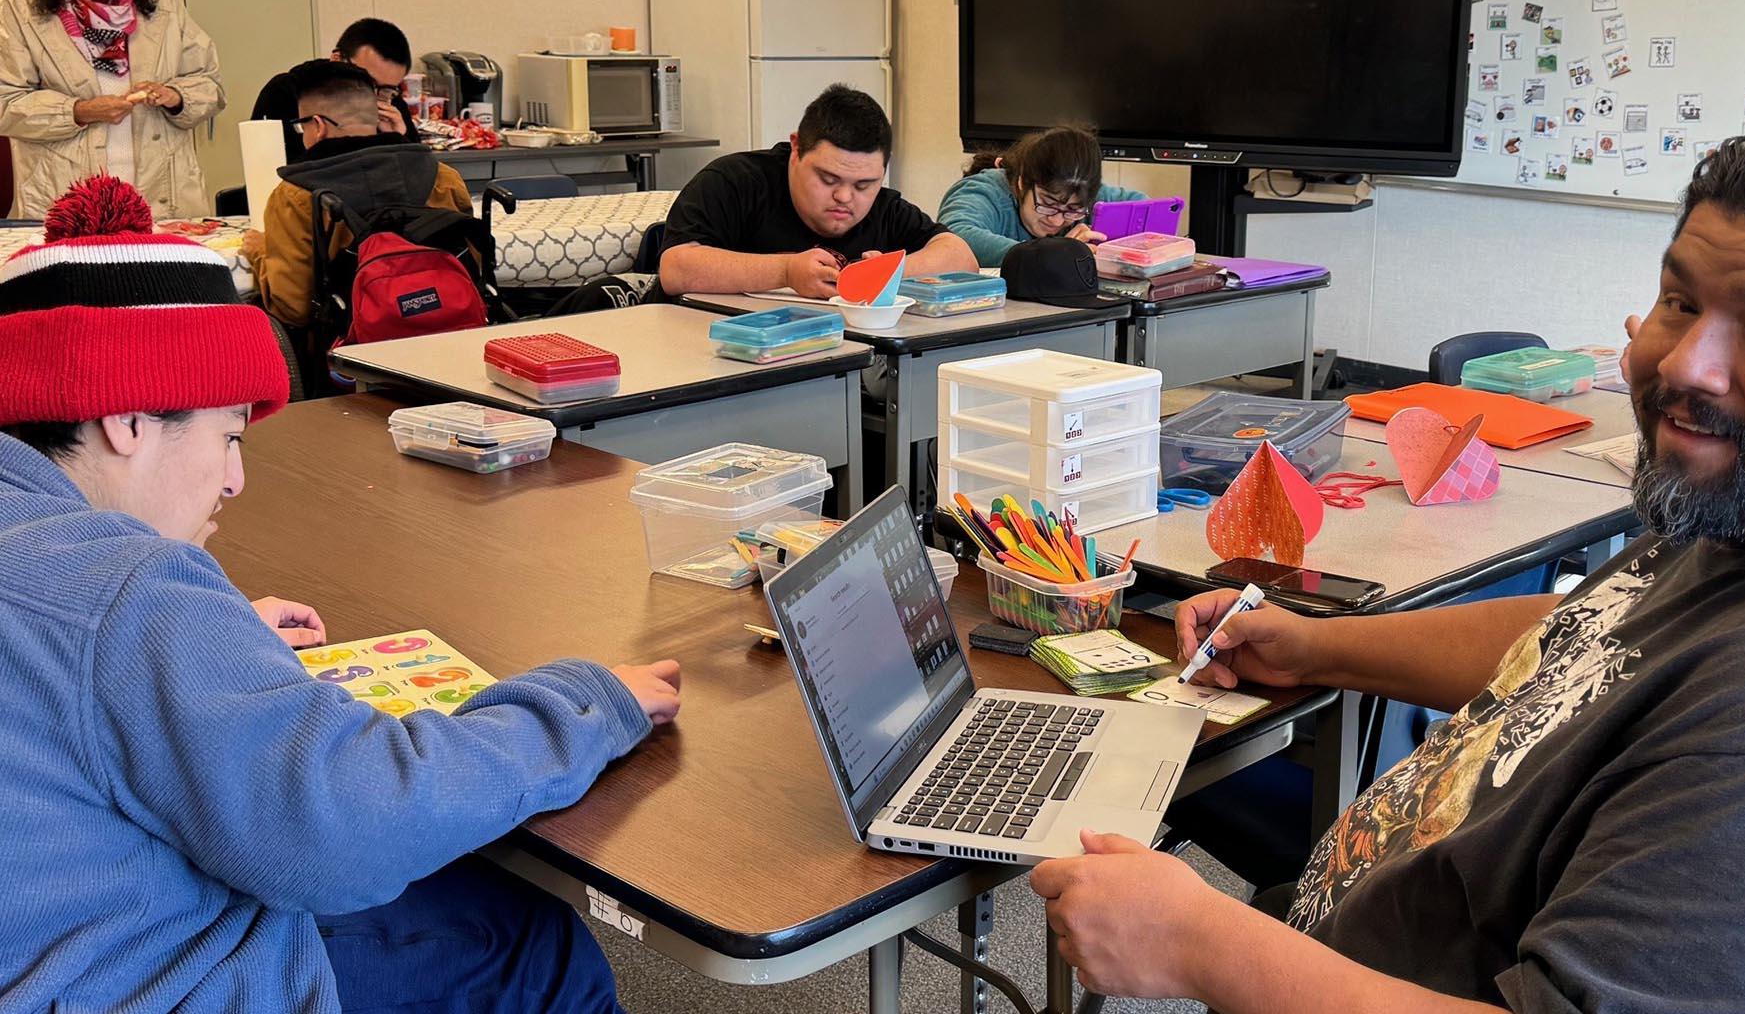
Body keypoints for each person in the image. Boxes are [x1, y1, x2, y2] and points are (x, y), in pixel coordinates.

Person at [1031, 122, 1745, 1012]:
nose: (1686, 364)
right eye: (1680, 303)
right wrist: (1317, 647)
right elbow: (1594, 641)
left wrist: (1202, 947)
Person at [0, 174, 682, 1011]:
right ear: (129, 419)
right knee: (533, 944)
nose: (234, 479)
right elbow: (353, 824)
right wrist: (588, 704)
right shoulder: (127, 590)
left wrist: (201, 649)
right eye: (228, 434)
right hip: (146, 979)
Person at [658, 83, 976, 300]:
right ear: (796, 149)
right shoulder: (734, 182)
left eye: (864, 185)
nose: (845, 197)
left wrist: (892, 273)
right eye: (828, 179)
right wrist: (785, 272)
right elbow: (676, 268)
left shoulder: (884, 208)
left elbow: (961, 257)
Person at [0, 0, 222, 219]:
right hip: (67, 201)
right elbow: (6, 102)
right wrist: (79, 111)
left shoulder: (161, 1)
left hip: (165, 200)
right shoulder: (20, 10)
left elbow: (209, 84)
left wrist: (177, 96)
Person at [242, 58, 468, 333]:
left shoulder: (297, 196)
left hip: (348, 352)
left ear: (318, 125)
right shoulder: (442, 176)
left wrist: (260, 251)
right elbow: (471, 262)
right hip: (449, 333)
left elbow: (293, 308)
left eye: (303, 126)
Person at [936, 125, 1146, 267]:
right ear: (1022, 182)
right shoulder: (987, 191)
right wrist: (1057, 254)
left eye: (1072, 211)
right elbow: (953, 236)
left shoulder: (1082, 195)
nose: (1056, 221)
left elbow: (1147, 208)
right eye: (1047, 203)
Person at [252, 17, 419, 164]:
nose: (374, 96)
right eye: (368, 82)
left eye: (387, 89)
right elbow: (266, 169)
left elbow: (418, 174)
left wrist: (398, 140)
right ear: (337, 59)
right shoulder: (286, 92)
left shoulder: (389, 100)